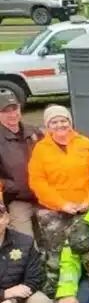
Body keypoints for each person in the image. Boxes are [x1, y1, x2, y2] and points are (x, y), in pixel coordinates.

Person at [28, 105, 89, 296]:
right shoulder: (40, 150)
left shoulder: (86, 144)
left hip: (85, 207)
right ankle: (55, 291)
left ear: (70, 122)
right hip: (54, 211)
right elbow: (37, 182)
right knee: (56, 254)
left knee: (88, 248)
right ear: (47, 126)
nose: (60, 125)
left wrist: (88, 200)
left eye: (64, 120)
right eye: (54, 122)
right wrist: (61, 204)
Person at [0, 92, 44, 237]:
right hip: (17, 200)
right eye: (6, 111)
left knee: (55, 238)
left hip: (44, 196)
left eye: (15, 109)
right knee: (24, 243)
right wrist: (12, 187)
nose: (12, 114)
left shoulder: (35, 132)